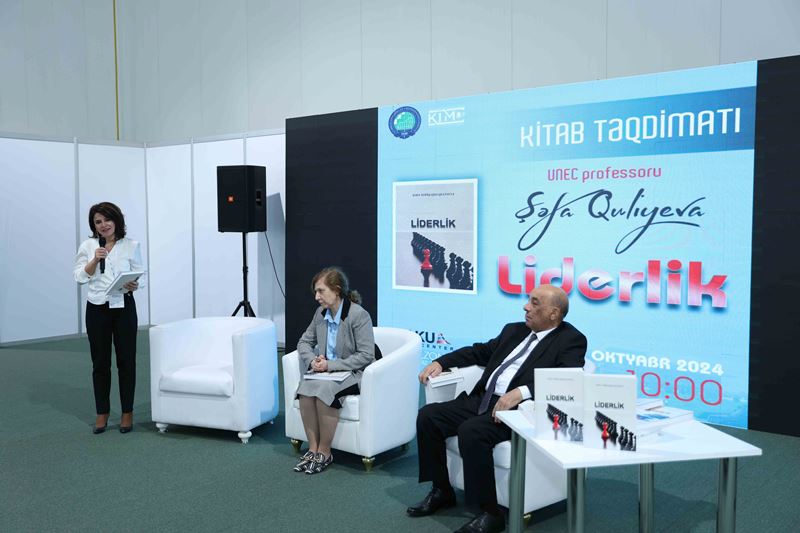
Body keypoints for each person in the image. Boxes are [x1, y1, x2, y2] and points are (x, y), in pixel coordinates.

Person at [408, 284, 587, 533]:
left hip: (521, 412)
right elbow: (478, 352)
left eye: (535, 303)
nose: (526, 307)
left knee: (472, 431)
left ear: (553, 313)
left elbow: (567, 378)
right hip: (482, 399)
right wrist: (441, 361)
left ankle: (491, 513)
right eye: (528, 300)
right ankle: (442, 490)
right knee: (429, 416)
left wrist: (522, 392)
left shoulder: (571, 340)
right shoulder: (514, 330)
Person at [293, 267, 375, 474]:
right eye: (315, 292)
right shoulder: (320, 314)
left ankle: (325, 452)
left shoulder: (358, 315)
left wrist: (330, 365)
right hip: (327, 373)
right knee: (305, 389)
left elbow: (366, 355)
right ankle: (312, 450)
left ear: (337, 290)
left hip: (354, 373)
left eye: (321, 291)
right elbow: (304, 342)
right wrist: (313, 361)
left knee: (324, 390)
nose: (316, 297)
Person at [73, 202, 144, 435]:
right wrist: (94, 260)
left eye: (107, 219)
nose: (103, 225)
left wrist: (135, 284)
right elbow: (79, 277)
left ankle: (127, 412)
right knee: (100, 362)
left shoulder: (131, 245)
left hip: (124, 307)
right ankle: (102, 412)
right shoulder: (88, 246)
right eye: (98, 222)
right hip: (97, 308)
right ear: (93, 225)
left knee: (126, 361)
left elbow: (142, 275)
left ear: (117, 220)